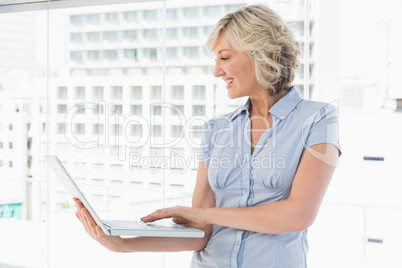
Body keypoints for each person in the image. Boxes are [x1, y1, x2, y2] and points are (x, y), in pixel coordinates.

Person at [74, 4, 341, 267]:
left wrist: (204, 214)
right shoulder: (217, 130)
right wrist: (122, 244)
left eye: (224, 58)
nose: (217, 71)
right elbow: (201, 233)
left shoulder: (318, 119)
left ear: (259, 53)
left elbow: (298, 215)